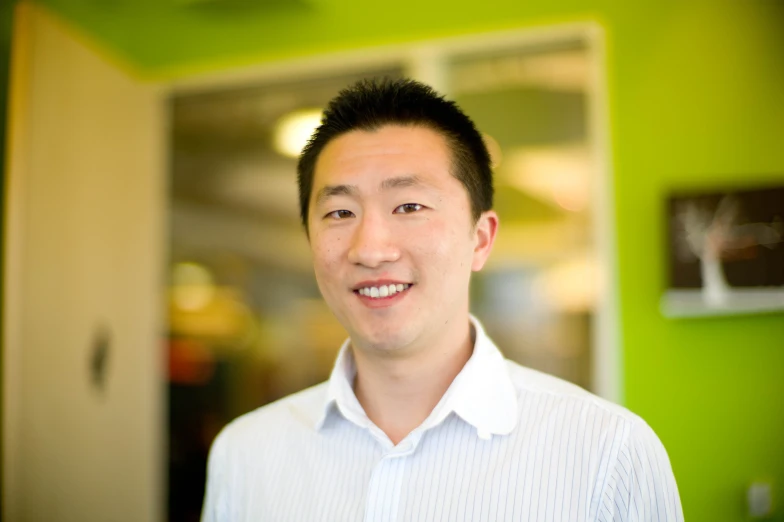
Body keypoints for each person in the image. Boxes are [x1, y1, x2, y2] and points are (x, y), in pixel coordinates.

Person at [201, 78, 683, 521]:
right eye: (340, 211)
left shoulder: (607, 453)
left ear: (480, 239)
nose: (370, 248)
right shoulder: (245, 455)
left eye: (409, 206)